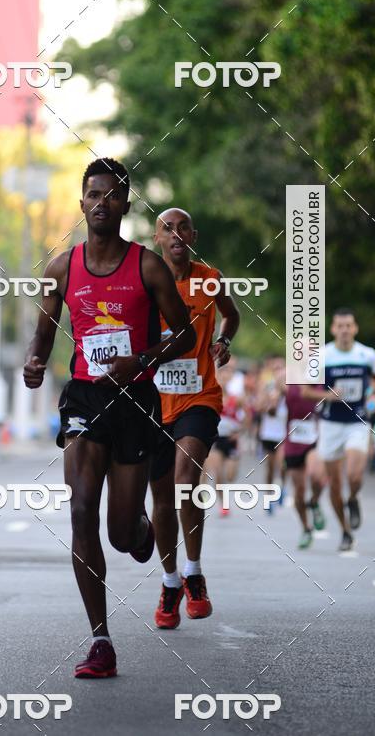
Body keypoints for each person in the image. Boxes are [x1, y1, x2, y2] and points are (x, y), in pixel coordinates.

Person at [24, 159, 196, 677]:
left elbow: (185, 335)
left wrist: (140, 361)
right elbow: (43, 335)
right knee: (80, 511)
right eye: (92, 194)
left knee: (121, 534)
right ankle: (100, 641)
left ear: (125, 204)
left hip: (135, 403)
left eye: (111, 195)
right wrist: (34, 362)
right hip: (83, 400)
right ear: (81, 204)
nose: (101, 203)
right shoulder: (61, 268)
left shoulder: (147, 266)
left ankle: (140, 530)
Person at [148, 208, 239, 629]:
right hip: (153, 401)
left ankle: (194, 571)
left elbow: (231, 315)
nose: (176, 233)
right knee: (163, 497)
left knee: (187, 477)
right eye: (167, 228)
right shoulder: (148, 278)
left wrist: (222, 340)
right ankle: (170, 583)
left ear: (194, 235)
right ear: (157, 239)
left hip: (200, 395)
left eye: (183, 227)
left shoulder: (209, 277)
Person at [303, 309, 375, 551]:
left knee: (355, 476)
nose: (345, 330)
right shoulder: (323, 355)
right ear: (333, 329)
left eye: (349, 325)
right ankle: (346, 531)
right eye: (340, 326)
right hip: (331, 424)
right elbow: (305, 390)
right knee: (334, 484)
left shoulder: (367, 355)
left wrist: (373, 397)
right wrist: (327, 395)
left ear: (355, 328)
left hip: (358, 421)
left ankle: (353, 498)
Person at [285, 384, 326, 548]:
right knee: (299, 491)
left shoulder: (322, 381)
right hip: (293, 441)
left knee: (316, 477)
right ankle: (306, 528)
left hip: (315, 438)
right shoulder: (287, 381)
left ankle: (314, 501)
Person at [210, 363, 245, 518]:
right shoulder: (211, 397)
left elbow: (248, 418)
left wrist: (240, 433)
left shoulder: (236, 400)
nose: (224, 379)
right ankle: (223, 505)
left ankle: (225, 495)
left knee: (230, 476)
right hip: (216, 439)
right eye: (221, 376)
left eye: (227, 376)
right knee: (218, 473)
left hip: (231, 440)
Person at [255, 357, 287, 512]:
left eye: (281, 368)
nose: (278, 371)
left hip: (285, 433)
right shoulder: (266, 387)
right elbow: (258, 407)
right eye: (275, 368)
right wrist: (269, 403)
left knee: (282, 465)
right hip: (269, 433)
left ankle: (282, 487)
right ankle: (268, 496)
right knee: (270, 468)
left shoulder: (290, 388)